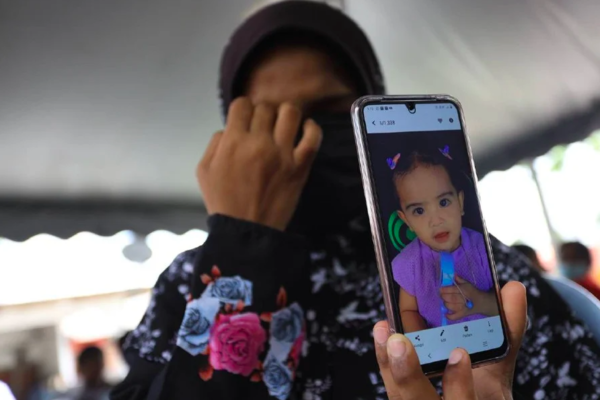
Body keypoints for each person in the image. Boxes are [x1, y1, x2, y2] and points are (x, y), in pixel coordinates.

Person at [112, 2, 600, 399]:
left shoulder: (479, 261)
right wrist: (241, 243)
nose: (302, 141)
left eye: (329, 111)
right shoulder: (188, 284)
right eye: (271, 122)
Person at [391, 149, 497, 332]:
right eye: (419, 211)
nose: (436, 220)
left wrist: (480, 301)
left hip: (488, 342)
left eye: (443, 203)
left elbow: (501, 304)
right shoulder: (411, 262)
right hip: (441, 352)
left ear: (460, 203)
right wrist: (423, 343)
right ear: (406, 220)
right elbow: (408, 311)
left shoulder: (481, 246)